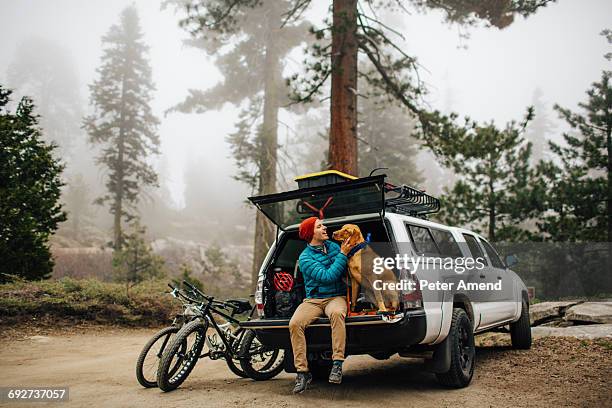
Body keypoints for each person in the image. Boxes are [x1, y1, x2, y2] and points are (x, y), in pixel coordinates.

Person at [289, 216, 351, 394]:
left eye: (322, 225)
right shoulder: (305, 258)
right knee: (295, 324)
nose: (325, 228)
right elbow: (327, 276)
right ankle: (302, 372)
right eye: (319, 226)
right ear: (311, 233)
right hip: (314, 300)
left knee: (337, 314)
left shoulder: (332, 246)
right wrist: (343, 255)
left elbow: (344, 269)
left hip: (336, 297)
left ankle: (337, 364)